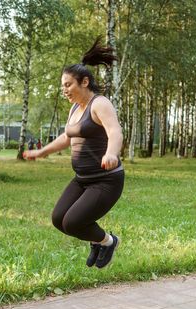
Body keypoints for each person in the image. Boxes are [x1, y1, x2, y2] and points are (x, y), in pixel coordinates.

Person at [23, 37, 124, 269]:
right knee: (59, 219)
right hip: (82, 179)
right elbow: (67, 137)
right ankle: (96, 241)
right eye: (63, 86)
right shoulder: (74, 109)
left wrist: (111, 153)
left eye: (68, 84)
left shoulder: (99, 104)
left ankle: (109, 242)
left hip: (106, 180)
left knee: (74, 221)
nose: (64, 90)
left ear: (84, 82)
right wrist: (42, 152)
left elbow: (115, 131)